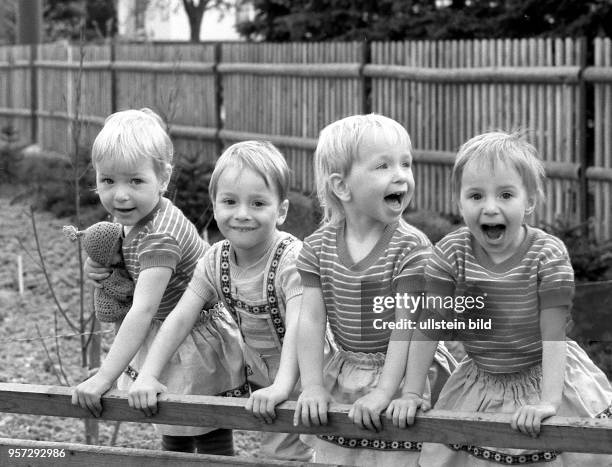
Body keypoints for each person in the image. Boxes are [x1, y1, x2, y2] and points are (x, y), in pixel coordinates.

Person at [387, 131, 612, 466]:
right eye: (476, 196)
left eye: (506, 195)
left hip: (545, 372)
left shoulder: (547, 255)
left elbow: (553, 333)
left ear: (530, 201)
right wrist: (411, 392)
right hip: (482, 378)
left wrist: (549, 402)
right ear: (459, 202)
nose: (490, 208)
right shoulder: (451, 253)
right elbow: (430, 326)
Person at [71, 108, 245, 455]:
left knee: (205, 428)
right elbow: (125, 256)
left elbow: (143, 308)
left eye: (135, 181)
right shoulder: (139, 214)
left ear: (163, 178)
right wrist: (99, 265)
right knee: (172, 425)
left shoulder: (160, 236)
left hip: (191, 338)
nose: (120, 195)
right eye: (108, 181)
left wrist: (103, 377)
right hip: (165, 333)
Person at [127, 140, 313, 462]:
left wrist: (283, 385)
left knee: (293, 451)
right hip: (261, 368)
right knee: (279, 448)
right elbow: (181, 317)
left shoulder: (291, 259)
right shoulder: (216, 259)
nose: (242, 214)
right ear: (215, 205)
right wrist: (149, 374)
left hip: (309, 367)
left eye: (257, 203)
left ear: (281, 211)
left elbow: (300, 323)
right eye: (230, 201)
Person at [293, 114, 455, 466]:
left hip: (404, 366)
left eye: (406, 164)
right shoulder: (318, 248)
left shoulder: (410, 248)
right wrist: (313, 385)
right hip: (348, 367)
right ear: (342, 186)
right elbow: (310, 319)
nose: (401, 175)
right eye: (383, 166)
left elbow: (406, 325)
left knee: (395, 454)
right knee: (341, 454)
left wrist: (385, 390)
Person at [63, 221, 133, 323]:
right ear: (105, 259)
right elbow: (125, 291)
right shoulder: (108, 275)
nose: (122, 252)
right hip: (116, 310)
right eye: (117, 252)